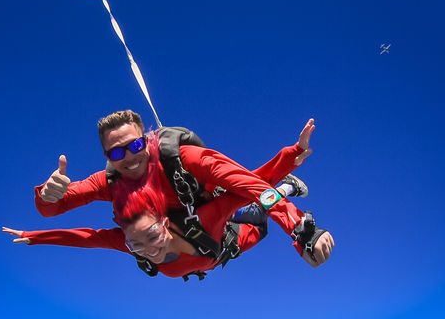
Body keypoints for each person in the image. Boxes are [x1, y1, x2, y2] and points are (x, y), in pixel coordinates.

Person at [32, 110, 332, 264]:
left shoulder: (184, 159)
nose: (129, 157)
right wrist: (49, 195)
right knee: (237, 205)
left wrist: (301, 231)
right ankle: (282, 188)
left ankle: (286, 188)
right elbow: (57, 211)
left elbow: (245, 183)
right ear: (107, 157)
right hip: (194, 240)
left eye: (135, 145)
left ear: (148, 139)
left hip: (217, 227)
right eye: (116, 153)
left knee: (250, 215)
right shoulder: (110, 182)